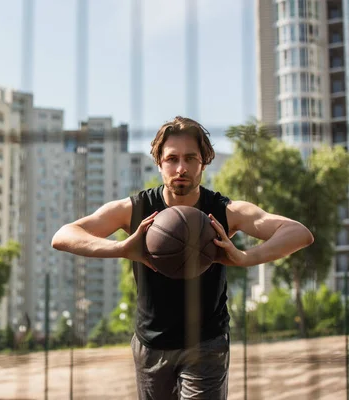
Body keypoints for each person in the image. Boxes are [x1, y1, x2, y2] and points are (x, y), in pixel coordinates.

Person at [51, 116, 314, 400]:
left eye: (191, 158)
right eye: (172, 159)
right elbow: (64, 235)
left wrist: (243, 257)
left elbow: (298, 233)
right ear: (159, 163)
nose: (181, 168)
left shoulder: (224, 211)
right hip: (151, 344)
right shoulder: (137, 209)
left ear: (203, 162)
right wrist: (122, 248)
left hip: (206, 342)